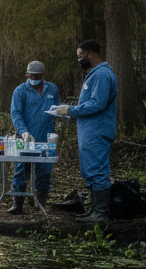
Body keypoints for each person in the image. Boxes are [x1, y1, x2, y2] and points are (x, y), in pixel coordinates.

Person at [50, 40, 117, 222]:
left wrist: (70, 110)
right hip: (88, 130)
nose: (79, 60)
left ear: (91, 54)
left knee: (98, 170)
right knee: (90, 170)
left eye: (80, 57)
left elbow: (98, 103)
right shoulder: (93, 74)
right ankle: (94, 210)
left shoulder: (102, 74)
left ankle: (101, 213)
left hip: (97, 129)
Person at [7, 60, 62, 214]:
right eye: (30, 76)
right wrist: (23, 131)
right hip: (24, 137)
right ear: (27, 75)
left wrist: (59, 118)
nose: (33, 78)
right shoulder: (20, 91)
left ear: (42, 75)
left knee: (44, 170)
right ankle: (17, 204)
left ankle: (40, 202)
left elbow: (57, 109)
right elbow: (15, 113)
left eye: (36, 76)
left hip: (46, 136)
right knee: (20, 170)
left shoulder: (52, 89)